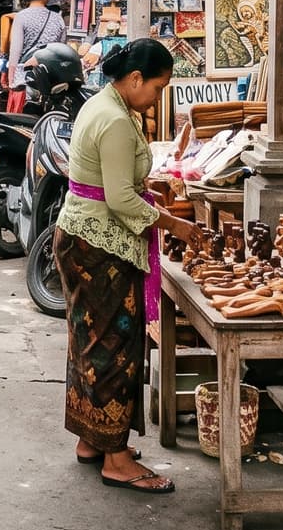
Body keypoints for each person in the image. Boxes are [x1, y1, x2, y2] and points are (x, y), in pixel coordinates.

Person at [55, 39, 200, 494]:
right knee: (113, 347)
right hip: (100, 246)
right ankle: (115, 459)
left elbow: (113, 182)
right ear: (135, 79)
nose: (158, 96)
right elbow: (119, 199)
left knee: (88, 342)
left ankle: (92, 439)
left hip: (81, 235)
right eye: (157, 87)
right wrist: (174, 224)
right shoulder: (115, 119)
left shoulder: (102, 104)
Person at [6, 0, 67, 111]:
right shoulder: (58, 19)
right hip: (50, 83)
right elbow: (62, 51)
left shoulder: (21, 17)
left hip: (26, 82)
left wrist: (11, 80)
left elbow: (15, 52)